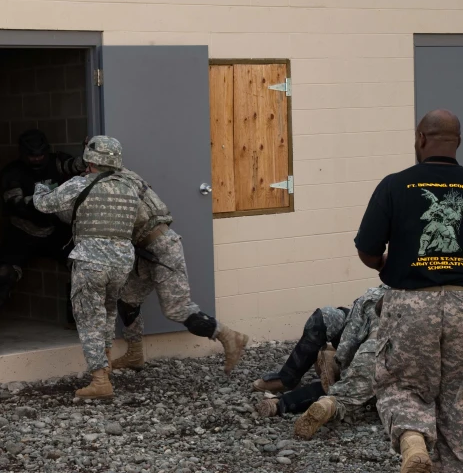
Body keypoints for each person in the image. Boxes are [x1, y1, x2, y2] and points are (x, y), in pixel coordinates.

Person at [355, 109, 463, 473]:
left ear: (420, 139)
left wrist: (383, 263)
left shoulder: (395, 185)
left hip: (412, 304)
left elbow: (368, 249)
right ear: (458, 142)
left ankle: (413, 438)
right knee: (458, 395)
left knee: (401, 383)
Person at [108, 167, 249, 375]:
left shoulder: (116, 185)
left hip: (163, 248)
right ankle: (135, 353)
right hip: (146, 251)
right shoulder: (124, 174)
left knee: (177, 309)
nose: (87, 168)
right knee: (128, 299)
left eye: (90, 164)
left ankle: (228, 335)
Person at [33, 136, 140, 399]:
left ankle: (99, 381)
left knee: (90, 320)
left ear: (90, 160)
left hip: (91, 262)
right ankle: (107, 363)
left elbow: (44, 204)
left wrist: (40, 186)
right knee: (108, 312)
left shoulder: (80, 184)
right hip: (122, 262)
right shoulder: (131, 187)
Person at [255, 285, 387, 428]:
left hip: (381, 365)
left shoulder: (389, 326)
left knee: (342, 387)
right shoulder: (391, 284)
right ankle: (287, 378)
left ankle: (282, 402)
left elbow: (353, 387)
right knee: (326, 317)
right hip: (357, 338)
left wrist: (284, 402)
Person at [0, 129, 86, 314]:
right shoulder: (12, 172)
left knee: (83, 266)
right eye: (31, 156)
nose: (36, 159)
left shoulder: (56, 162)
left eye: (40, 155)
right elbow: (15, 204)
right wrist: (40, 201)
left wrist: (90, 151)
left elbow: (78, 166)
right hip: (23, 233)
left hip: (56, 231)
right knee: (3, 274)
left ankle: (79, 316)